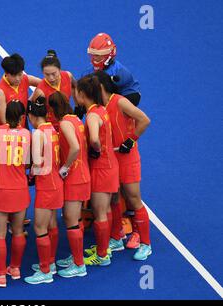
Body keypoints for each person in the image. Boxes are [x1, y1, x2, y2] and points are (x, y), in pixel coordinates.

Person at [95, 70, 152, 260]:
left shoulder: (119, 101)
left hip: (127, 158)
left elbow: (144, 119)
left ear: (100, 87)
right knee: (114, 198)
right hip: (112, 159)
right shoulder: (99, 106)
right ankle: (117, 236)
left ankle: (146, 244)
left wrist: (131, 140)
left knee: (133, 198)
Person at [0, 100, 31, 288]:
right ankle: (15, 269)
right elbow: (28, 162)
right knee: (19, 231)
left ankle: (0, 274)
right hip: (20, 189)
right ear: (22, 117)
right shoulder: (27, 134)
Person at [76, 74, 119, 266]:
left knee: (100, 211)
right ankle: (105, 246)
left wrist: (94, 149)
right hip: (110, 166)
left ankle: (102, 256)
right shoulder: (101, 109)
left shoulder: (92, 115)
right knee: (106, 209)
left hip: (101, 168)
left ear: (83, 94)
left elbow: (94, 139)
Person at [47, 91, 90, 278]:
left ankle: (79, 265)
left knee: (71, 221)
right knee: (76, 220)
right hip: (82, 175)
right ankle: (76, 257)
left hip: (74, 178)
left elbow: (75, 147)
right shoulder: (76, 120)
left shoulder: (64, 122)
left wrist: (65, 167)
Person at [23, 97, 63, 285]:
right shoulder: (52, 130)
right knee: (52, 224)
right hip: (56, 182)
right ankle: (50, 262)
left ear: (31, 116)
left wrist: (30, 173)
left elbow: (37, 162)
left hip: (46, 186)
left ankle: (45, 271)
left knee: (39, 227)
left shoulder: (38, 133)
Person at [84, 33, 141, 106]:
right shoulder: (87, 72)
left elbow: (105, 96)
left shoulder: (120, 72)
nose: (95, 57)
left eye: (98, 55)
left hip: (125, 100)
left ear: (110, 53)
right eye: (93, 54)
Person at [31, 50, 76, 131]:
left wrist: (77, 105)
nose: (51, 78)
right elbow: (34, 114)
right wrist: (46, 131)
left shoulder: (68, 76)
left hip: (69, 124)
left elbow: (75, 87)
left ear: (59, 69)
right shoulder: (40, 92)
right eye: (47, 74)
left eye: (54, 73)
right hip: (53, 129)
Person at [0, 54, 41, 127]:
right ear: (6, 73)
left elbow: (43, 84)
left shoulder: (25, 79)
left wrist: (30, 100)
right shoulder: (0, 91)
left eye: (20, 74)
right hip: (6, 131)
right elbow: (4, 121)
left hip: (22, 125)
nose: (17, 78)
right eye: (13, 75)